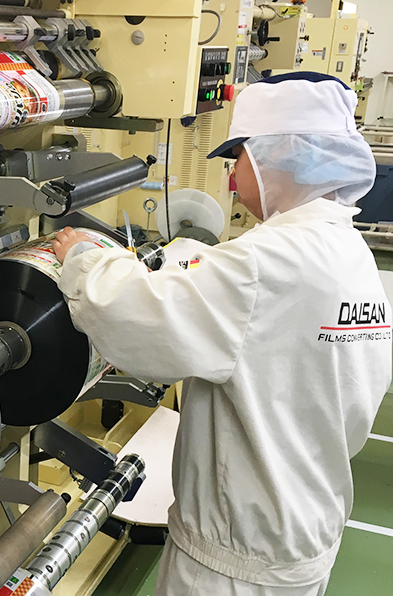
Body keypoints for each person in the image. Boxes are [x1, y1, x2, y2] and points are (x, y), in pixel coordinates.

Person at [52, 73, 392, 595]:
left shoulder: (268, 261)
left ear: (279, 153)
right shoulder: (346, 252)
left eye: (239, 157)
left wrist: (83, 259)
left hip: (235, 560)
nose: (232, 178)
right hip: (303, 528)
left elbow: (139, 317)